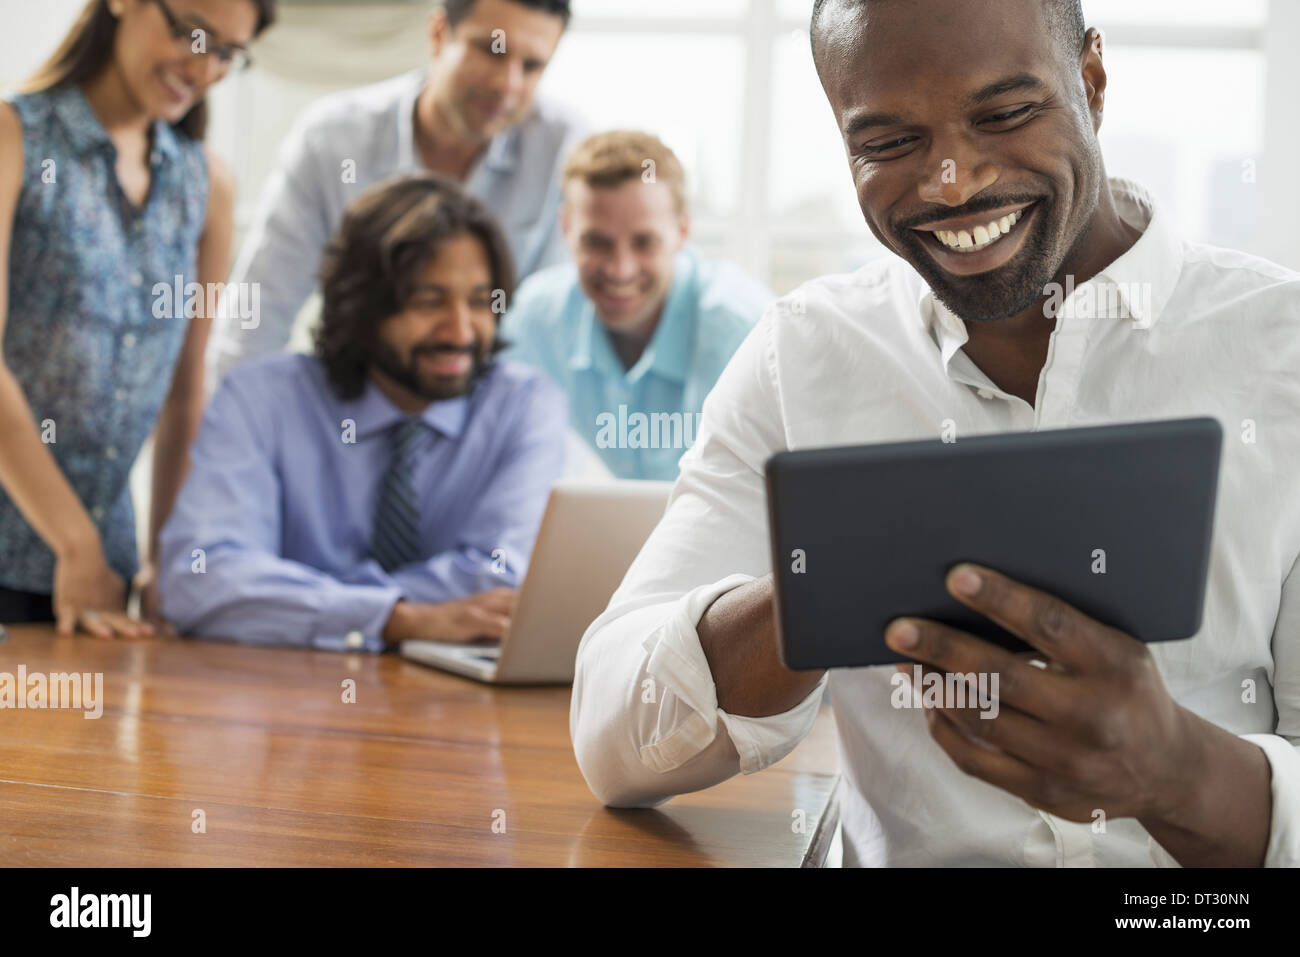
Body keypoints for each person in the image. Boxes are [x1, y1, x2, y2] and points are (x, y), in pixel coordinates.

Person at [570, 0, 1300, 867]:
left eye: (1003, 113)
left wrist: (1178, 773)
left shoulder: (1281, 353)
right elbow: (612, 744)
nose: (952, 181)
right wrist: (828, 581)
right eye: (887, 143)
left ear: (1092, 81)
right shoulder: (803, 352)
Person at [159, 174, 566, 651]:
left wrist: (293, 599)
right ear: (363, 308)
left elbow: (501, 579)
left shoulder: (525, 407)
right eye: (428, 301)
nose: (460, 331)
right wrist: (396, 620)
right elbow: (199, 576)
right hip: (280, 696)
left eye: (480, 302)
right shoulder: (260, 399)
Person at [0, 0, 276, 635]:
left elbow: (184, 393)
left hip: (104, 577)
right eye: (191, 33)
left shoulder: (207, 187)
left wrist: (168, 561)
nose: (204, 68)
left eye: (229, 53)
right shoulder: (17, 136)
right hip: (50, 556)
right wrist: (73, 542)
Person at [206, 0, 585, 383]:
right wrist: (234, 427)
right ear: (438, 34)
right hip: (349, 400)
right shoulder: (334, 142)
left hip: (488, 410)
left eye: (532, 66)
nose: (507, 84)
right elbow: (257, 318)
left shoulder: (565, 155)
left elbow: (547, 332)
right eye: (491, 50)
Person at [501, 131, 773, 480]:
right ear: (566, 227)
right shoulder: (534, 318)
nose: (620, 269)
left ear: (682, 230)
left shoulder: (746, 332)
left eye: (644, 242)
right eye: (596, 242)